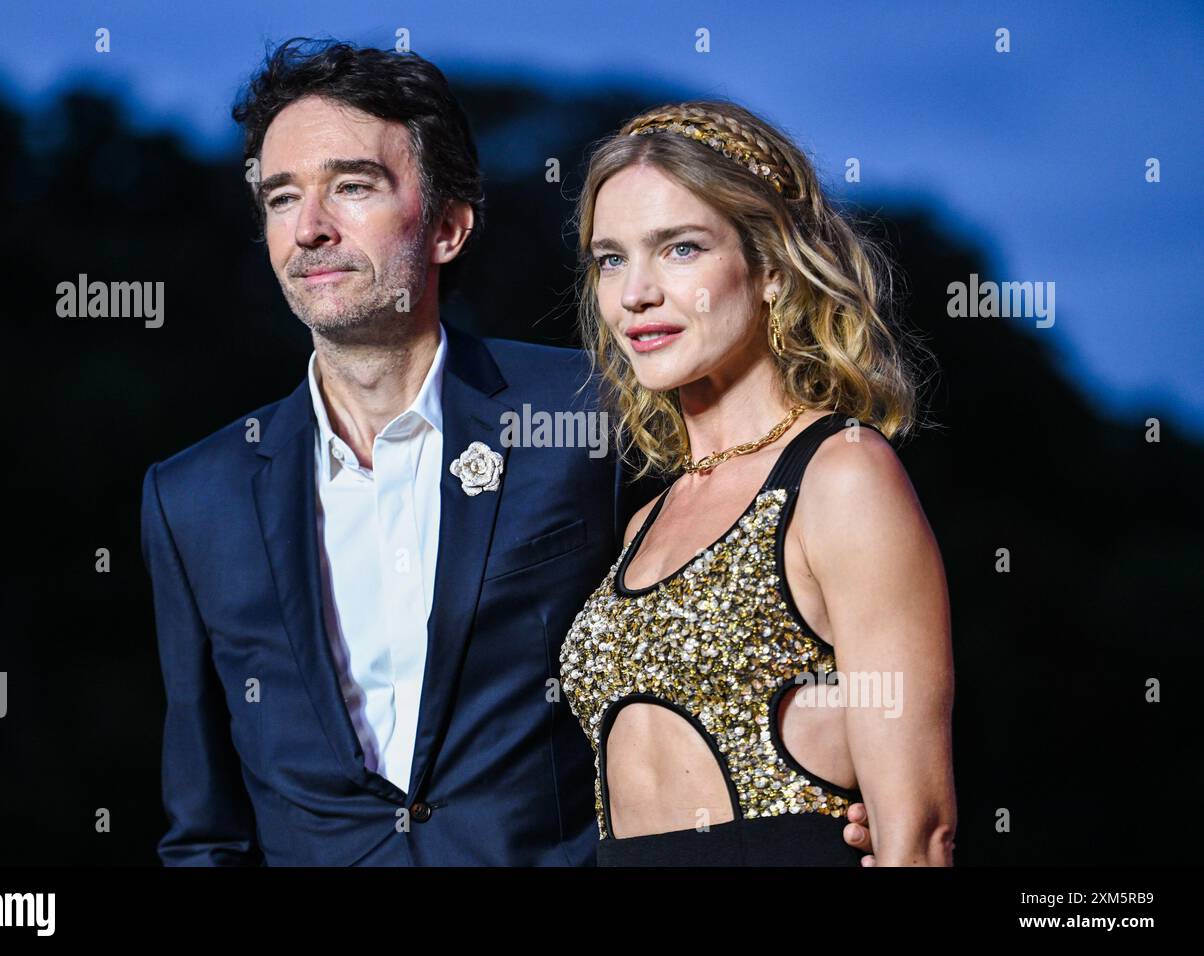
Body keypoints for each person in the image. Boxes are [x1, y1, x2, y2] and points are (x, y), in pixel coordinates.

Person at [141, 39, 875, 865]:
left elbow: (765, 540)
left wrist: (823, 799)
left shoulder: (592, 412)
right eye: (281, 198)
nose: (310, 228)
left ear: (450, 226)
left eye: (352, 187)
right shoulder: (193, 498)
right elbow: (203, 830)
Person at [560, 101, 956, 866]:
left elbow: (920, 834)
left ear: (771, 267)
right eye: (611, 258)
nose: (635, 293)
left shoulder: (841, 474)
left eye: (679, 248)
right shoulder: (646, 518)